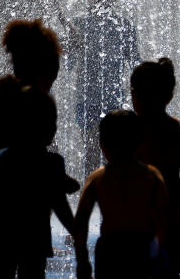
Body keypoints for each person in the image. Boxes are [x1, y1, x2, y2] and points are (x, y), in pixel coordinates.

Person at [0, 19, 68, 213]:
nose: (54, 79)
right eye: (53, 72)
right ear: (39, 70)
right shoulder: (40, 102)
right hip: (26, 196)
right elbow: (38, 151)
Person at [0, 87, 75, 278]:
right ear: (51, 130)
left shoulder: (2, 158)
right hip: (35, 242)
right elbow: (60, 204)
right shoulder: (52, 162)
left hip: (3, 239)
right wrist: (77, 232)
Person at [74, 109, 170, 279]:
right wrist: (162, 254)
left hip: (110, 249)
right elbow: (164, 218)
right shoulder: (152, 176)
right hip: (142, 246)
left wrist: (82, 260)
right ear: (141, 142)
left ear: (101, 144)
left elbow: (81, 222)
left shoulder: (97, 177)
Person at [66, 0, 140, 177]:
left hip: (111, 101)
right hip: (92, 100)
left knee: (103, 151)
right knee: (95, 149)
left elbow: (135, 64)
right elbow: (67, 63)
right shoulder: (79, 24)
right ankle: (97, 193)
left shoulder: (124, 26)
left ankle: (100, 193)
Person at [132, 58, 180, 277]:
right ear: (169, 96)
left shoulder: (133, 130)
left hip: (140, 215)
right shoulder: (176, 128)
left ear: (134, 94)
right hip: (173, 212)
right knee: (168, 272)